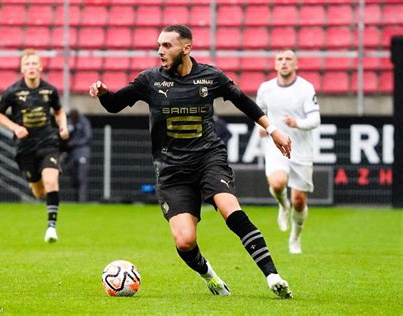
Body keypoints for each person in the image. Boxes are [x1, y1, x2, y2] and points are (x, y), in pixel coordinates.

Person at [89, 25, 293, 298]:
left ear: (186, 48)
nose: (160, 51)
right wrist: (103, 92)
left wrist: (273, 130)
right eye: (159, 45)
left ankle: (273, 275)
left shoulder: (210, 77)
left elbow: (243, 102)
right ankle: (209, 276)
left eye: (167, 46)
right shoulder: (149, 80)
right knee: (185, 241)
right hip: (171, 170)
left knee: (230, 210)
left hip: (209, 158)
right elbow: (114, 104)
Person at [0, 49, 69, 243]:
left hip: (48, 142)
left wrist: (63, 127)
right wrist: (15, 127)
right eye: (27, 64)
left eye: (34, 64)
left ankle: (51, 228)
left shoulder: (50, 90)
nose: (31, 67)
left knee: (51, 181)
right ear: (22, 69)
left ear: (40, 67)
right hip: (25, 147)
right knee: (39, 191)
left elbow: (59, 112)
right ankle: (42, 194)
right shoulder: (13, 91)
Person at [256, 48, 321, 254]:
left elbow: (315, 119)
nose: (284, 62)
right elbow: (258, 114)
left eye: (288, 59)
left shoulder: (305, 88)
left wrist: (297, 123)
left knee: (299, 201)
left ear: (295, 64)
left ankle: (296, 237)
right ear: (275, 65)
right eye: (280, 59)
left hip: (301, 148)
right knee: (277, 184)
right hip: (276, 146)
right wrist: (260, 128)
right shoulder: (265, 89)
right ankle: (283, 205)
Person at [64, 109, 92, 202]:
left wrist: (75, 143)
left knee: (82, 178)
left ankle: (82, 201)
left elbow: (88, 137)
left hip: (82, 152)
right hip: (71, 154)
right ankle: (76, 200)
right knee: (73, 178)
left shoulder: (84, 122)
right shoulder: (69, 123)